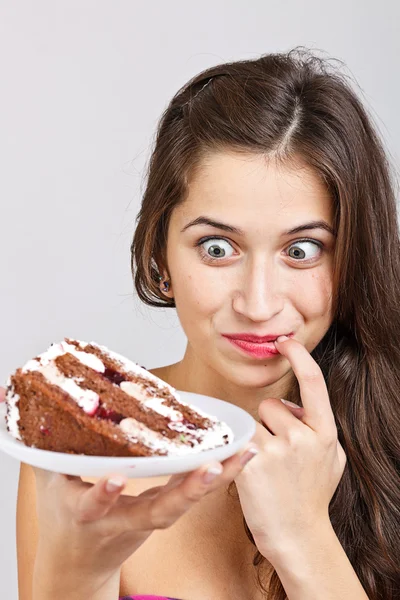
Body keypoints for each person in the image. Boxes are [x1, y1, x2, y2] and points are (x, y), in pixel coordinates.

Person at [5, 48, 400, 600]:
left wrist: (305, 537)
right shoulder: (83, 454)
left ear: (352, 258)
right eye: (217, 248)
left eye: (303, 250)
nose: (258, 304)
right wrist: (76, 574)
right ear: (161, 257)